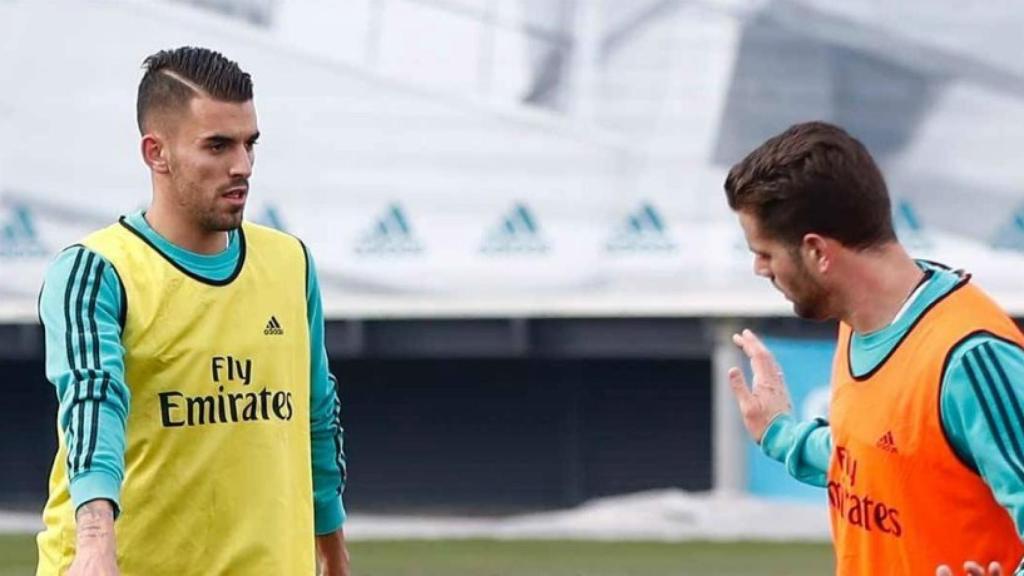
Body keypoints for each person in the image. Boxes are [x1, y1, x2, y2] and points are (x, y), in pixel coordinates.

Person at [35, 47, 349, 575]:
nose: (242, 166)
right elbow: (93, 405)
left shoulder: (290, 263)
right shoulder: (98, 270)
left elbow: (317, 415)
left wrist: (334, 552)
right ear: (156, 153)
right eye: (218, 146)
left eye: (250, 144)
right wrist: (94, 544)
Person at [723, 122, 1024, 576]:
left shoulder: (969, 357)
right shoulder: (856, 323)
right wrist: (778, 433)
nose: (758, 268)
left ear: (817, 252)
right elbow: (879, 465)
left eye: (764, 252)